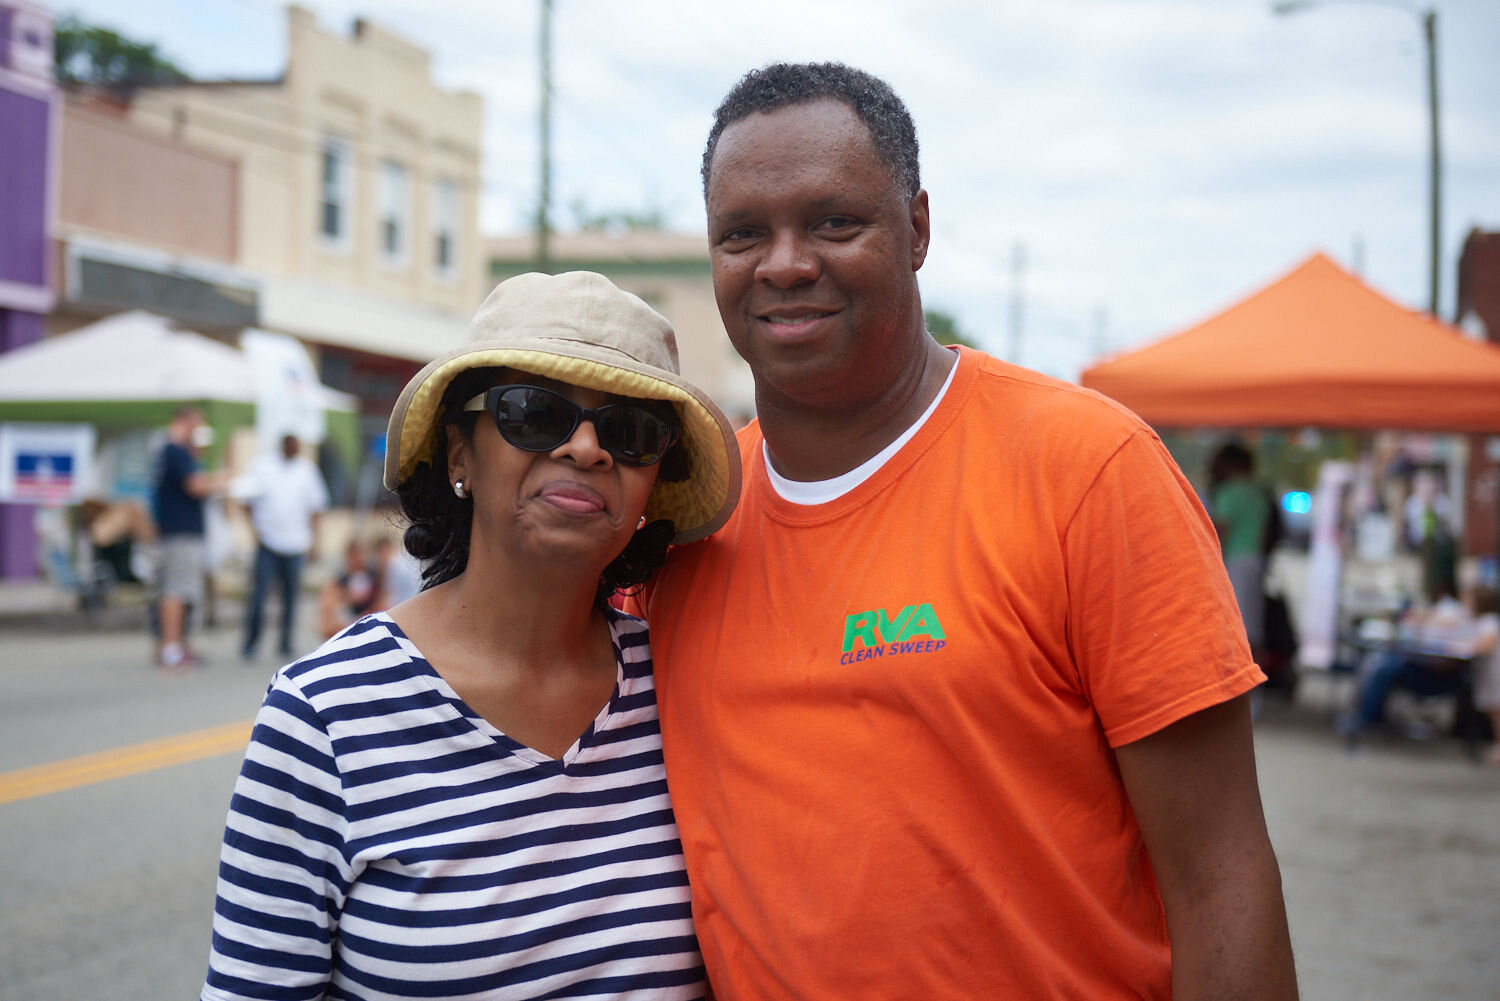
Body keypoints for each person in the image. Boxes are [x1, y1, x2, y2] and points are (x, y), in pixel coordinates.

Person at [631, 62, 1297, 1000]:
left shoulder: (1088, 470)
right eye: (743, 234)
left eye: (834, 221)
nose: (784, 262)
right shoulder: (684, 522)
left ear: (919, 231)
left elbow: (1220, 869)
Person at [200, 271, 740, 1001]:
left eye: (630, 431)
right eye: (533, 413)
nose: (586, 448)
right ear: (460, 454)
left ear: (652, 485)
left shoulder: (684, 685)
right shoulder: (322, 716)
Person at [238, 433, 329, 660]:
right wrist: (254, 531)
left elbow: (316, 509)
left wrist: (315, 541)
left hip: (296, 544)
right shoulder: (262, 467)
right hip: (268, 542)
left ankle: (285, 642)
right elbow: (245, 502)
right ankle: (251, 641)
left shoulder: (307, 471)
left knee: (291, 597)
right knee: (259, 595)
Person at [151, 405, 228, 669]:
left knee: (181, 590)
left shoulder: (172, 451)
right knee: (176, 590)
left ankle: (175, 644)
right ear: (185, 422)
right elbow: (195, 485)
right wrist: (219, 481)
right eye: (197, 424)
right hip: (180, 532)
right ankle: (171, 648)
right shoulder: (175, 450)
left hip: (176, 531)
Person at [1209, 440, 1272, 654]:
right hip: (1255, 561)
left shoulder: (1229, 491)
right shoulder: (1258, 492)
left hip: (1235, 561)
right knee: (1251, 624)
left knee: (1233, 625)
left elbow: (1220, 532)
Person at [314, 537, 382, 637]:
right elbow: (329, 608)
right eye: (355, 554)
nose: (359, 558)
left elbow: (381, 602)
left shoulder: (376, 578)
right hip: (345, 620)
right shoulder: (339, 580)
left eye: (362, 554)